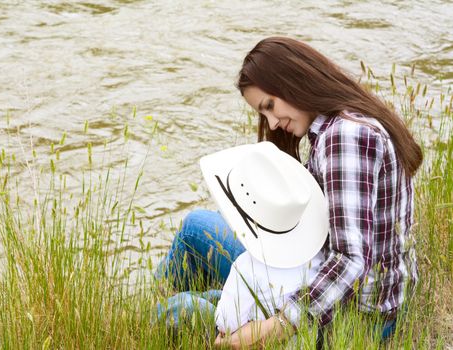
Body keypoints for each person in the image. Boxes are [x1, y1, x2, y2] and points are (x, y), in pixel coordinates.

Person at [155, 36, 422, 348]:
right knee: (197, 225)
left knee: (178, 310)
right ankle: (193, 299)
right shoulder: (341, 121)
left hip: (359, 320)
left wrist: (272, 328)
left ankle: (187, 309)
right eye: (261, 113)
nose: (271, 122)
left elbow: (351, 262)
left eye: (269, 106)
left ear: (294, 81)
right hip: (316, 274)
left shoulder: (345, 138)